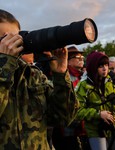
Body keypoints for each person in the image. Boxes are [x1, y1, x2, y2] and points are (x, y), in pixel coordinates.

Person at [0, 9, 77, 150]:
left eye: (15, 38)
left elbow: (62, 118)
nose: (12, 44)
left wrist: (60, 75)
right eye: (5, 39)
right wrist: (5, 65)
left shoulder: (33, 75)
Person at [75, 51, 115, 150]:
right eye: (101, 65)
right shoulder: (83, 86)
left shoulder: (111, 81)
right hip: (96, 130)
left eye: (106, 65)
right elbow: (77, 111)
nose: (105, 68)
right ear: (93, 67)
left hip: (114, 126)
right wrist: (99, 114)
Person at [52, 46, 90, 150]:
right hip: (69, 129)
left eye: (82, 57)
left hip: (85, 128)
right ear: (67, 60)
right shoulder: (63, 77)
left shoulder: (84, 76)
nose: (81, 59)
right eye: (78, 57)